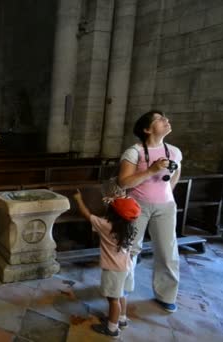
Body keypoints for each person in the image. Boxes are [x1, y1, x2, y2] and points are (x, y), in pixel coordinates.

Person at [117, 110, 182, 313]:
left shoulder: (174, 151)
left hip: (165, 207)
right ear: (147, 129)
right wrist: (151, 171)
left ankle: (167, 294)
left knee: (167, 251)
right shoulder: (134, 151)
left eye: (165, 117)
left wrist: (165, 194)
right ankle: (124, 289)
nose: (166, 120)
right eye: (159, 119)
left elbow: (175, 174)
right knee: (131, 248)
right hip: (138, 205)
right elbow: (124, 182)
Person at [73, 189, 140, 339]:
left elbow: (87, 215)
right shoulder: (129, 225)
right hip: (126, 266)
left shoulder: (106, 225)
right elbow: (124, 207)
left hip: (114, 269)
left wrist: (78, 199)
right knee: (122, 294)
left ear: (113, 213)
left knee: (113, 299)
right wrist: (113, 200)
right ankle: (121, 319)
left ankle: (112, 328)